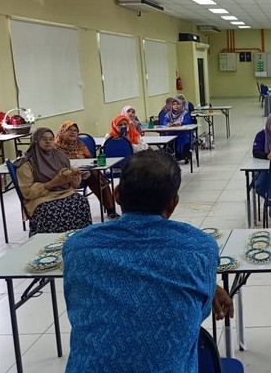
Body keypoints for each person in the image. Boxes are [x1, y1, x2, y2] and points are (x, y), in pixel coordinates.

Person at [63, 150, 233, 372]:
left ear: (116, 195)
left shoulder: (79, 247)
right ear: (173, 203)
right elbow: (196, 313)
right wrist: (205, 286)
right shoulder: (200, 247)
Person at [15, 128, 92, 236]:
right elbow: (27, 192)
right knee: (49, 210)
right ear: (35, 141)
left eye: (51, 139)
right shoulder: (26, 163)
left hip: (64, 192)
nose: (48, 142)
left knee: (81, 202)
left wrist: (75, 180)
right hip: (41, 198)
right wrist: (51, 184)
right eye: (44, 139)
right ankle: (51, 241)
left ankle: (79, 238)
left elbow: (71, 182)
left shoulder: (60, 156)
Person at [55, 121, 117, 219]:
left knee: (99, 179)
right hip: (65, 175)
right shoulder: (55, 147)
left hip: (84, 173)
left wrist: (91, 168)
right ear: (63, 131)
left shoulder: (80, 144)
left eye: (75, 130)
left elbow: (90, 159)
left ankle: (111, 210)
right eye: (69, 130)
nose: (73, 132)